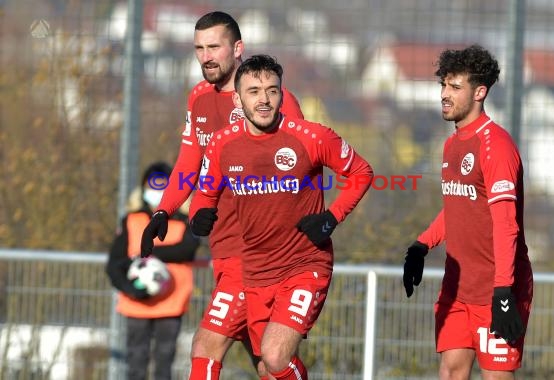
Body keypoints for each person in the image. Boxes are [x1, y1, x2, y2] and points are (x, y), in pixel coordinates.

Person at [140, 11, 305, 380]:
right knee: (266, 361)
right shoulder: (198, 98)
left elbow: (303, 172)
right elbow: (188, 163)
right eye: (199, 48)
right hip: (224, 248)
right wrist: (163, 211)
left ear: (238, 48)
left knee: (207, 347)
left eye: (214, 47)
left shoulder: (271, 101)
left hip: (261, 254)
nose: (206, 56)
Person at [187, 54, 373, 380]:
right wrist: (201, 213)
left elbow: (361, 172)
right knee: (266, 367)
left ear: (281, 95)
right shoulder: (222, 144)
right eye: (254, 91)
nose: (264, 100)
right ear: (237, 98)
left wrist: (331, 217)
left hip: (304, 266)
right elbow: (206, 191)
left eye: (272, 91)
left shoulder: (312, 136)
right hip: (255, 271)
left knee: (275, 356)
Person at [402, 45, 533, 380]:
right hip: (458, 288)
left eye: (454, 87)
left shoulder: (497, 146)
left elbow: (507, 226)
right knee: (450, 371)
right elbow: (457, 205)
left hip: (498, 289)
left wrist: (504, 291)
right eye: (443, 86)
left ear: (479, 92)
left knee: (496, 377)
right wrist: (421, 245)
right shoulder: (452, 144)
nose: (445, 95)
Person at [106, 161, 199, 380]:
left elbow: (188, 249)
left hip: (171, 303)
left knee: (164, 363)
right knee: (136, 363)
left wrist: (149, 252)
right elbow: (114, 264)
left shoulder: (185, 220)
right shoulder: (131, 220)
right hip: (137, 303)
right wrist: (130, 288)